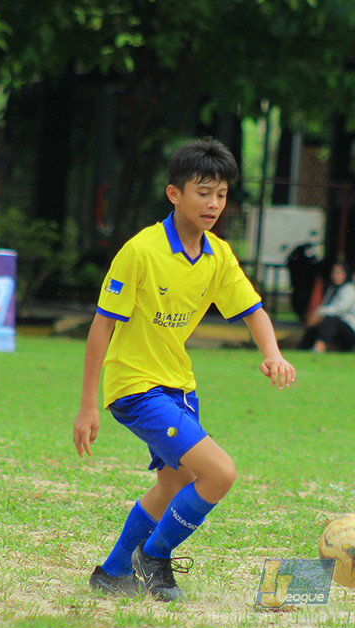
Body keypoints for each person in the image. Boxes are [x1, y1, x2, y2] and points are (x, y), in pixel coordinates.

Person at [72, 138, 296, 602]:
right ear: (175, 194)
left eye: (221, 194)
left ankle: (113, 573)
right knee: (219, 474)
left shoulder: (217, 255)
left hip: (178, 387)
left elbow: (253, 310)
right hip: (135, 387)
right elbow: (101, 326)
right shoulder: (141, 251)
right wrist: (87, 404)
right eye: (203, 192)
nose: (214, 204)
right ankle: (153, 557)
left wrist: (272, 351)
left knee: (174, 482)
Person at [298, 262, 355, 353]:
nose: (336, 276)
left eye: (340, 273)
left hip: (354, 332)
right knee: (317, 324)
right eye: (334, 273)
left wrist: (318, 312)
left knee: (330, 320)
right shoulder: (332, 289)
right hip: (338, 328)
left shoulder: (349, 290)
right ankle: (303, 348)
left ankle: (320, 347)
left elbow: (338, 309)